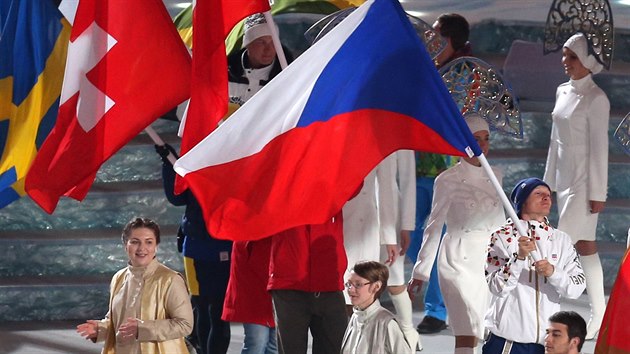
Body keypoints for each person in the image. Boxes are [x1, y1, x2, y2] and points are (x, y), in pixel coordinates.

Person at [220, 13, 292, 354]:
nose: (267, 50)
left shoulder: (290, 75)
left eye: (270, 43)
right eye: (260, 43)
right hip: (237, 179)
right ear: (247, 45)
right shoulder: (225, 74)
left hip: (276, 179)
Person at [408, 113, 504, 354]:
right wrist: (421, 271)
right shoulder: (447, 180)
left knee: (479, 328)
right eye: (475, 139)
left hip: (488, 260)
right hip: (457, 258)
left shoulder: (496, 175)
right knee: (465, 327)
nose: (482, 145)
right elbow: (434, 225)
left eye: (486, 139)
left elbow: (501, 222)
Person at [543, 32, 610, 340]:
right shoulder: (560, 91)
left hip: (584, 185)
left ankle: (551, 310)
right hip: (564, 179)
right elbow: (554, 142)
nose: (564, 61)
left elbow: (599, 149)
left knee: (564, 246)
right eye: (565, 55)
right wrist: (545, 186)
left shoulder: (597, 99)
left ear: (586, 61)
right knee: (585, 247)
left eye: (571, 56)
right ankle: (599, 312)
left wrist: (598, 194)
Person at [410, 13, 472, 335]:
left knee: (434, 238)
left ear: (449, 41)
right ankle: (441, 301)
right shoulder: (427, 69)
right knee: (414, 239)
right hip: (419, 166)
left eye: (436, 37)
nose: (430, 42)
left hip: (446, 170)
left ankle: (437, 309)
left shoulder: (464, 73)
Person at [483, 178, 586, 354]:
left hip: (547, 345)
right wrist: (518, 258)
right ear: (522, 201)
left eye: (548, 195)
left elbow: (576, 288)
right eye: (538, 194)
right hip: (508, 343)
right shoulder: (501, 237)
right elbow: (497, 287)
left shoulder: (561, 240)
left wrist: (554, 273)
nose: (546, 198)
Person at [76, 217, 193, 353]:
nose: (142, 248)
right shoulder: (119, 278)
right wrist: (100, 329)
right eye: (135, 242)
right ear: (126, 245)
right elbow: (117, 322)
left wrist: (142, 328)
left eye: (149, 242)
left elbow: (185, 324)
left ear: (156, 246)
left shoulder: (170, 279)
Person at [157, 144, 232, 354]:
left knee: (219, 314)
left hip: (225, 249)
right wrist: (170, 165)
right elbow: (177, 197)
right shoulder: (195, 161)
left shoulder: (234, 162)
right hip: (196, 250)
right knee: (202, 308)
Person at [342, 150, 420, 350]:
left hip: (386, 218)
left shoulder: (395, 130)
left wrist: (404, 226)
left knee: (392, 279)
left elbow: (406, 181)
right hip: (350, 220)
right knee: (350, 284)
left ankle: (407, 334)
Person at [268, 212, 349, 354]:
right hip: (289, 283)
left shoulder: (332, 191)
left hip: (328, 281)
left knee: (335, 348)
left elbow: (353, 190)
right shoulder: (280, 192)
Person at [341, 261, 413, 354]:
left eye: (358, 284)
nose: (351, 289)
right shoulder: (355, 317)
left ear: (376, 286)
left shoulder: (387, 323)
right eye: (349, 284)